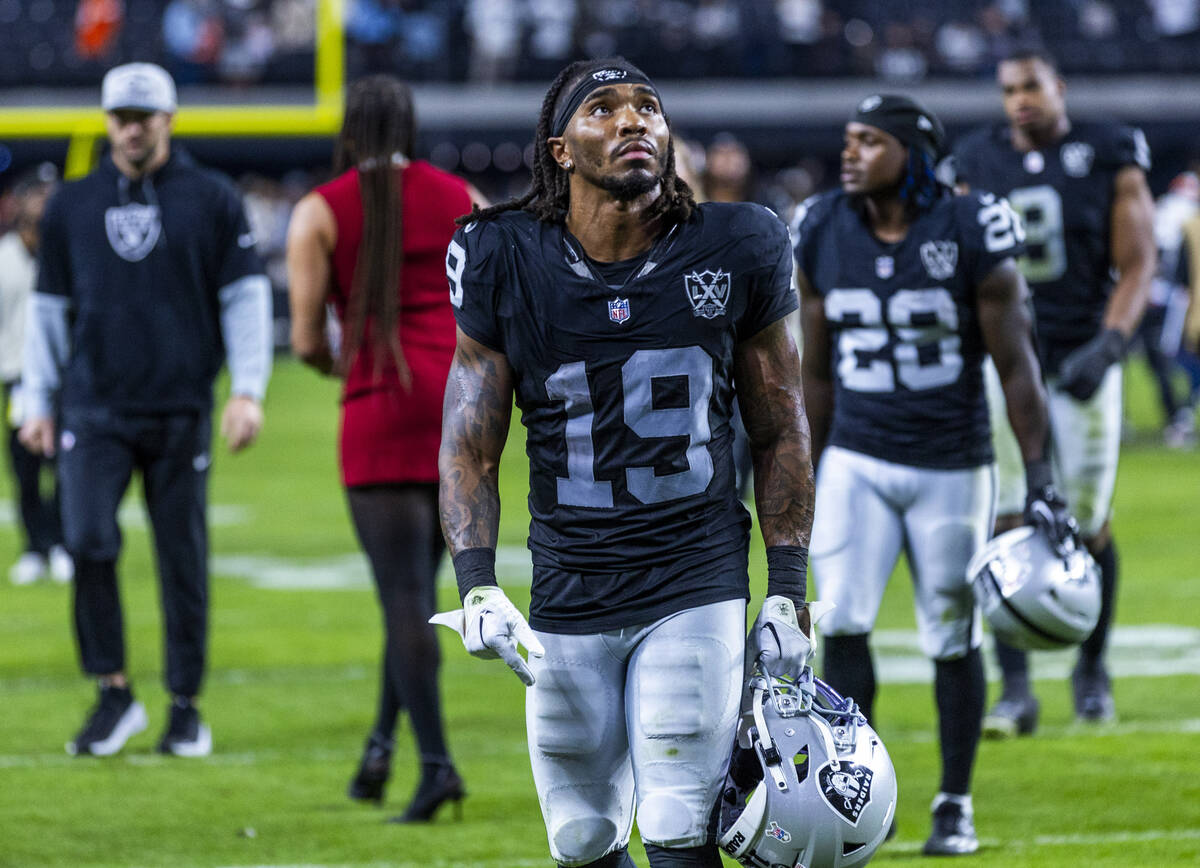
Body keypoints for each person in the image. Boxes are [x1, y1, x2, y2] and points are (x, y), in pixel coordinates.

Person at [434, 58, 817, 868]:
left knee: (679, 820)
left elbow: (781, 426)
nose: (633, 120)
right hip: (568, 583)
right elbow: (471, 438)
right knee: (580, 837)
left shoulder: (737, 241)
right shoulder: (503, 253)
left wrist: (787, 590)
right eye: (602, 109)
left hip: (692, 577)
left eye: (648, 106)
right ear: (560, 149)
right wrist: (475, 583)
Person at [795, 94, 1075, 855]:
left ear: (913, 151)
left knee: (951, 631)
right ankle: (862, 796)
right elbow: (814, 375)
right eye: (848, 138)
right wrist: (802, 470)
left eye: (870, 140)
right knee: (844, 619)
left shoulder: (970, 224)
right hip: (857, 453)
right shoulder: (821, 224)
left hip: (952, 461)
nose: (850, 152)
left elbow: (1018, 367)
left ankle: (955, 801)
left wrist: (1041, 477)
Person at [19, 62, 272, 757]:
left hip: (180, 405)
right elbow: (47, 311)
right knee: (88, 538)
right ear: (106, 120)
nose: (133, 128)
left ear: (169, 117)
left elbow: (245, 299)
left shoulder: (213, 198)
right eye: (122, 117)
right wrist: (35, 398)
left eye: (145, 116)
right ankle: (113, 693)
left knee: (181, 560)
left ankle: (185, 707)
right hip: (92, 406)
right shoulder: (71, 202)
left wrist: (247, 389)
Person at [286, 74, 484, 820]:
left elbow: (307, 338)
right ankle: (379, 749)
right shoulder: (460, 195)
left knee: (400, 598)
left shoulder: (320, 210)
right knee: (413, 594)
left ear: (348, 131)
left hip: (378, 401)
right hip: (457, 407)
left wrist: (349, 366)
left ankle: (435, 767)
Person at [953, 48, 1156, 735]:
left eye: (1031, 87)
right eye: (1008, 90)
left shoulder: (1107, 149)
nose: (1020, 100)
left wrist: (1112, 343)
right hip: (1008, 360)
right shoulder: (975, 161)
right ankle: (1015, 689)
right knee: (1008, 517)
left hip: (1080, 356)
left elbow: (1138, 261)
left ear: (1057, 86)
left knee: (1089, 524)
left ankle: (1090, 668)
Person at [1, 164, 72, 586]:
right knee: (24, 468)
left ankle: (61, 543)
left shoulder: (65, 254)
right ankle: (34, 546)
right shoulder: (5, 257)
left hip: (63, 376)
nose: (44, 203)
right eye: (37, 194)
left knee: (65, 465)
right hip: (16, 377)